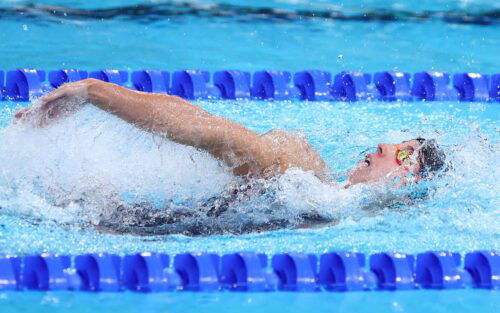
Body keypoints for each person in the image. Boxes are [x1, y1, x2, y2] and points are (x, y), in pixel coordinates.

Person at [15, 78, 447, 187]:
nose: (385, 146)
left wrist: (95, 92)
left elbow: (217, 135)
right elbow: (215, 131)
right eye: (398, 142)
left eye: (404, 155)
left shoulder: (312, 187)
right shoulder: (308, 177)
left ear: (408, 184)